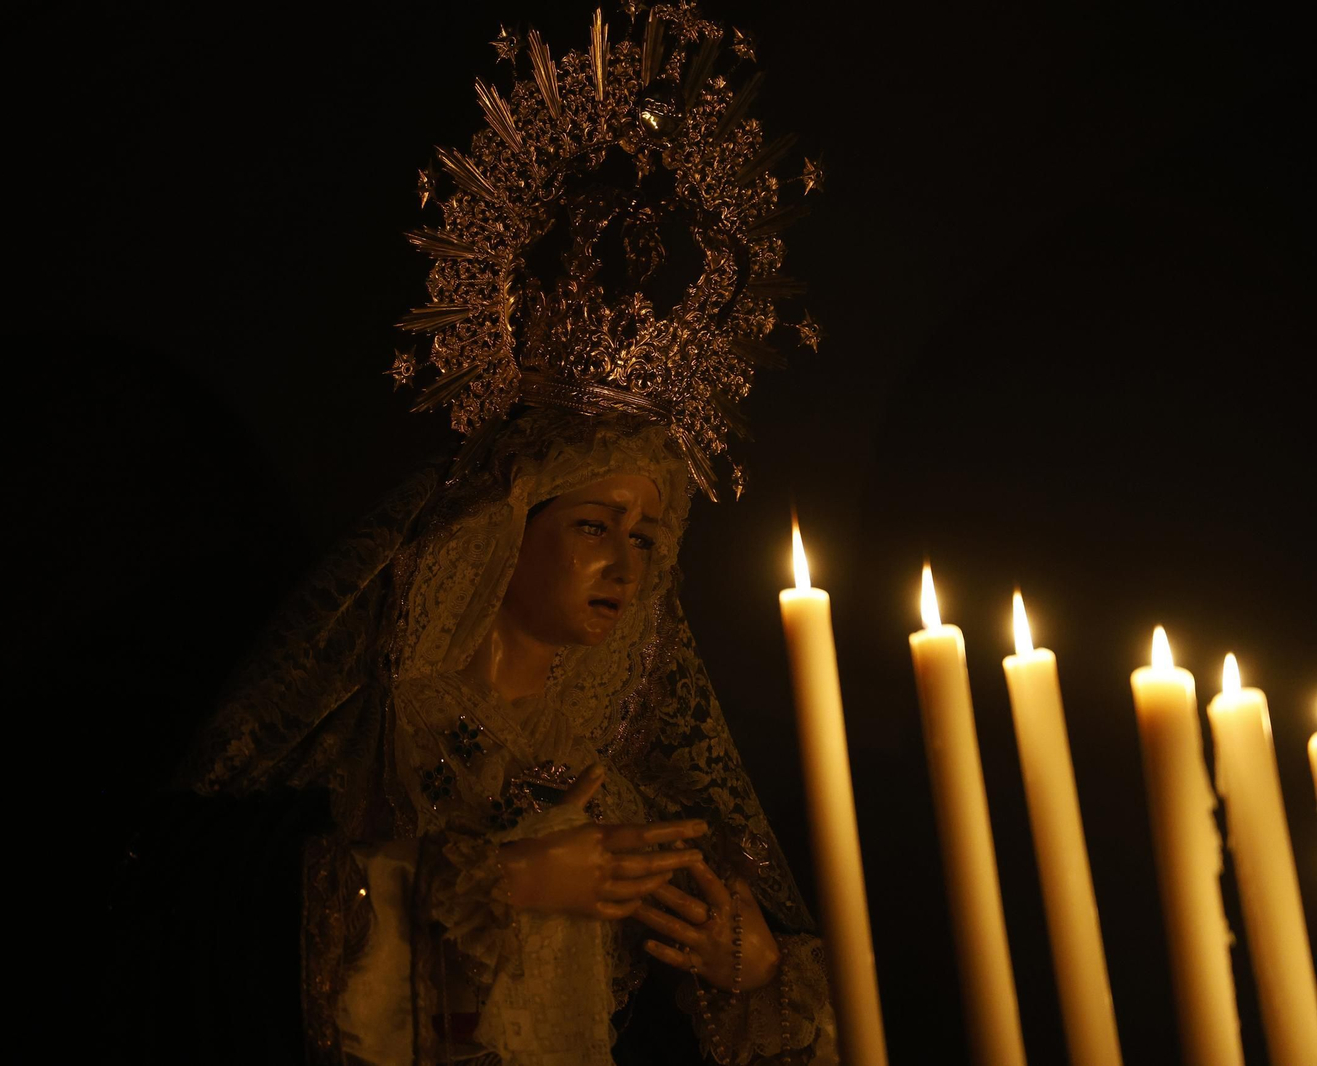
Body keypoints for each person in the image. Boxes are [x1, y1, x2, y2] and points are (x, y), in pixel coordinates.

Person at [109, 6, 834, 1062]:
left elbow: (739, 994)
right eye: (593, 524)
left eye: (646, 539)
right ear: (500, 531)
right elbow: (196, 903)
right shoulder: (370, 723)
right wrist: (502, 882)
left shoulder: (631, 775)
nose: (625, 564)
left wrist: (755, 971)